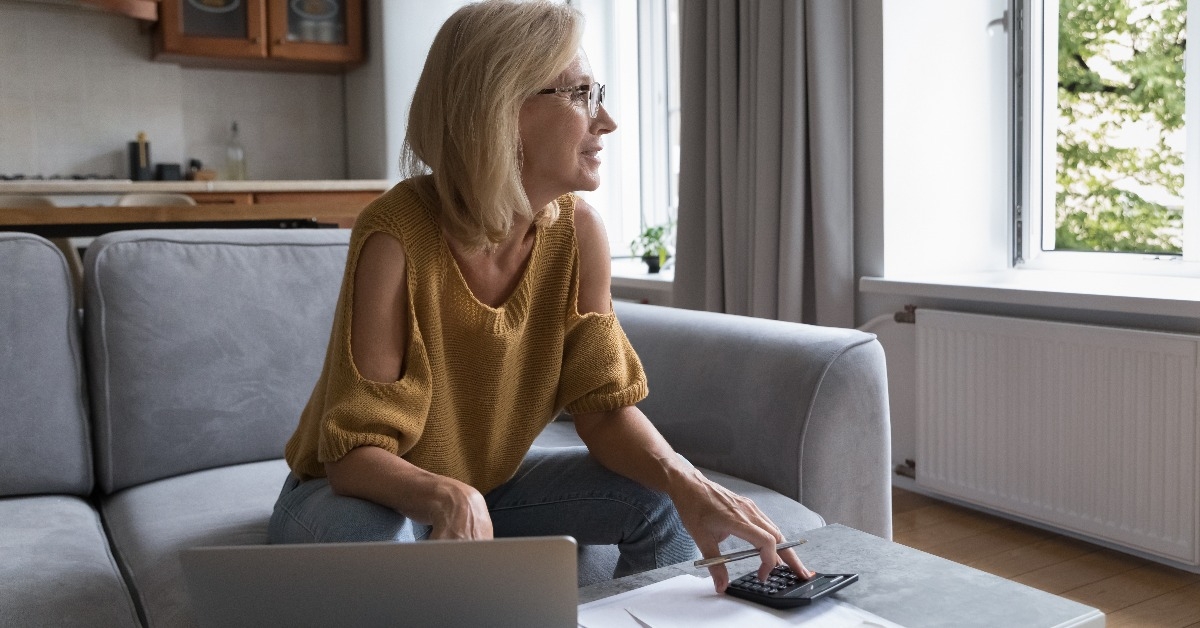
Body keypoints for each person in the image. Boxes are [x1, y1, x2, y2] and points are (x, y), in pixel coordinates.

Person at [268, 0, 811, 593]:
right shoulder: (397, 235)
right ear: (500, 107)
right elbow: (352, 457)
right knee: (380, 541)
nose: (605, 120)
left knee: (659, 499)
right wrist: (446, 495)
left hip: (486, 492)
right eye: (580, 94)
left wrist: (688, 480)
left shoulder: (579, 234)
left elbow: (602, 412)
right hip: (354, 496)